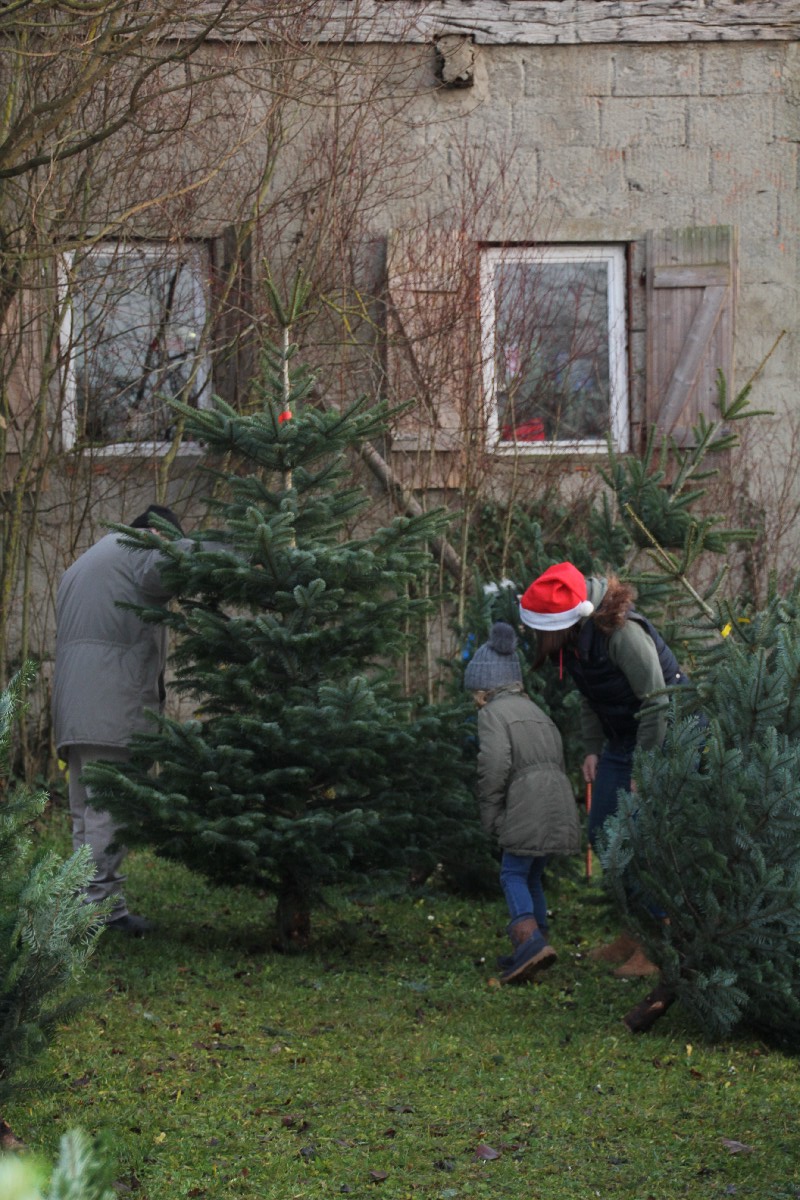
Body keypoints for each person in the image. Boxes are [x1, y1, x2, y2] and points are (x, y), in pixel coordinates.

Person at [518, 561, 684, 976]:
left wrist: (645, 767)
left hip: (666, 735)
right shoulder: (575, 638)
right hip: (621, 740)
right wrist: (593, 749)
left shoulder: (623, 635)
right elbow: (591, 696)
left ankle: (662, 940)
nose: (538, 639)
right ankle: (636, 931)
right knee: (602, 832)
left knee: (639, 838)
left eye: (540, 631)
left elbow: (658, 702)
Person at [52, 504, 192, 936]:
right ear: (157, 533)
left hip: (75, 708)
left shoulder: (83, 564)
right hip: (112, 705)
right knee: (109, 812)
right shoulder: (141, 549)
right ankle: (98, 914)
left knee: (86, 813)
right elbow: (181, 562)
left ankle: (87, 904)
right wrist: (245, 552)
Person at [464, 621, 580, 984]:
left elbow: (494, 764)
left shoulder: (493, 714)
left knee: (512, 873)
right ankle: (537, 942)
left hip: (526, 802)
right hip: (557, 800)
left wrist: (490, 812)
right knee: (532, 875)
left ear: (484, 688)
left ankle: (528, 943)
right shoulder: (537, 712)